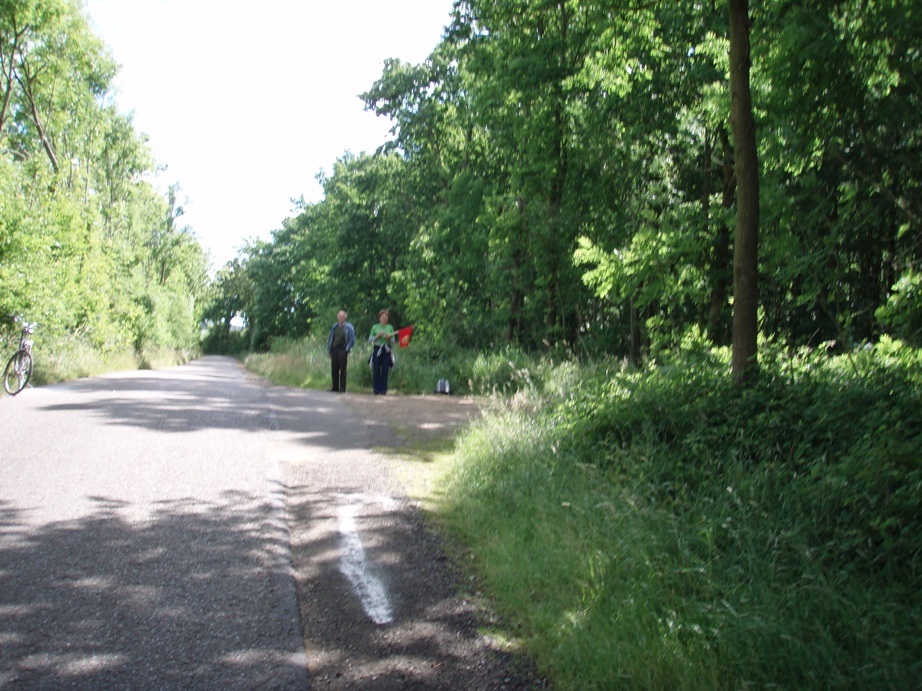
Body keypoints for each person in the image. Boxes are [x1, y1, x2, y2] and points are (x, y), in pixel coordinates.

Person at [368, 309, 396, 395]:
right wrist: (377, 336)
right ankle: (376, 389)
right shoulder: (375, 327)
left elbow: (393, 341)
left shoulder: (390, 327)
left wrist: (388, 338)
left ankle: (383, 390)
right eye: (382, 316)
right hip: (377, 349)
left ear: (387, 318)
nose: (384, 318)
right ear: (379, 318)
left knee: (385, 370)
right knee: (376, 370)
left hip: (386, 350)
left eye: (386, 316)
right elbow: (370, 339)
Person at [326, 310, 355, 392]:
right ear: (337, 317)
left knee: (343, 369)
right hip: (334, 349)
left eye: (342, 316)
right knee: (334, 369)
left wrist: (347, 349)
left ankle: (342, 388)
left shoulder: (349, 327)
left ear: (345, 317)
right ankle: (335, 387)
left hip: (343, 349)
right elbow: (330, 338)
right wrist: (329, 350)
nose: (340, 318)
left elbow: (352, 340)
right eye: (339, 316)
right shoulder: (334, 326)